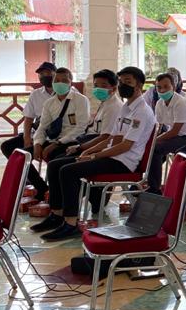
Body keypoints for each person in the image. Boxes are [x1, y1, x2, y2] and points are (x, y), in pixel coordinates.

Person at [32, 67, 156, 240]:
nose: (123, 85)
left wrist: (95, 156)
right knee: (55, 165)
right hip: (112, 156)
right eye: (121, 82)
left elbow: (125, 146)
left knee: (68, 171)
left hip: (124, 162)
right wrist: (87, 151)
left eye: (128, 82)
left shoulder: (141, 111)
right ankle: (57, 214)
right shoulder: (126, 107)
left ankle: (70, 224)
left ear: (139, 85)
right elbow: (112, 138)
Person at [0, 61, 56, 197]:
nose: (44, 76)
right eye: (41, 74)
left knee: (23, 155)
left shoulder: (68, 93)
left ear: (56, 73)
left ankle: (40, 187)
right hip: (36, 133)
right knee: (8, 147)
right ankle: (38, 185)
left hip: (53, 137)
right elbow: (28, 118)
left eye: (47, 73)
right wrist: (26, 138)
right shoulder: (36, 94)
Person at [148, 72, 186, 194]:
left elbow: (175, 130)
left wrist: (155, 140)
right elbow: (158, 126)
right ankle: (148, 183)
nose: (162, 90)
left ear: (173, 86)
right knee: (150, 149)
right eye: (159, 87)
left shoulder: (180, 102)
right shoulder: (160, 103)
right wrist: (151, 138)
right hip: (176, 135)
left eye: (166, 87)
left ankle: (154, 189)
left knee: (155, 148)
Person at [31, 67, 90, 166]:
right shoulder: (49, 103)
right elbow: (42, 126)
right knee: (24, 154)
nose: (60, 83)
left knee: (54, 161)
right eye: (57, 80)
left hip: (71, 141)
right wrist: (37, 144)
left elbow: (81, 128)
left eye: (64, 80)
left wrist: (56, 144)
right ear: (52, 82)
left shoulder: (81, 100)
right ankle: (35, 177)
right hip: (52, 139)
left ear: (70, 83)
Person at [67, 69, 123, 155]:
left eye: (103, 86)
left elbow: (105, 137)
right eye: (96, 85)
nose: (98, 89)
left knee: (58, 160)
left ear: (114, 88)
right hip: (90, 140)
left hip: (99, 148)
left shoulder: (113, 107)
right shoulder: (105, 102)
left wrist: (79, 148)